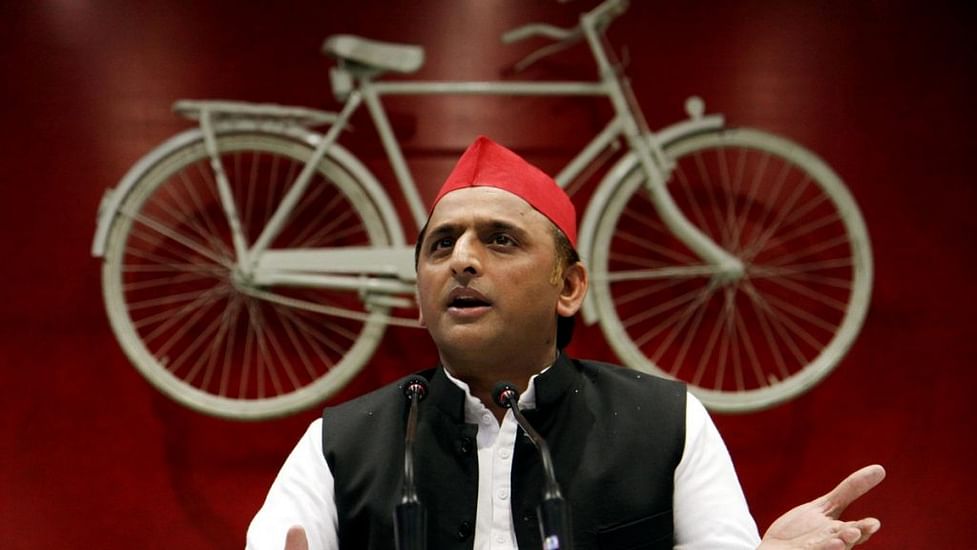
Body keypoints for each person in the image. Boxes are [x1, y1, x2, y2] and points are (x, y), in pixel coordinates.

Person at [246, 136, 884, 550]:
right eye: (441, 245)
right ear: (418, 297)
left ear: (570, 286)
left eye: (500, 240)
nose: (461, 260)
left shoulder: (666, 423)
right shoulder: (338, 444)